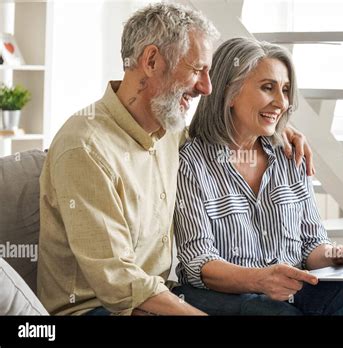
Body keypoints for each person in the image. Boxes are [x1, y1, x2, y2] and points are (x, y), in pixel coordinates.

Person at [37, 3, 313, 316]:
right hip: (97, 308)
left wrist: (279, 129)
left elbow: (221, 135)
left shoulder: (169, 131)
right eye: (197, 70)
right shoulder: (85, 148)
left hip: (157, 296)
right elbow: (117, 280)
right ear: (151, 61)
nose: (207, 87)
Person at [172, 37, 343, 315]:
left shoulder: (290, 156)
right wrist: (262, 279)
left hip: (289, 283)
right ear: (229, 91)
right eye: (268, 88)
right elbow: (198, 263)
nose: (282, 102)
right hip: (223, 292)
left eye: (286, 90)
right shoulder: (191, 163)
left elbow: (311, 246)